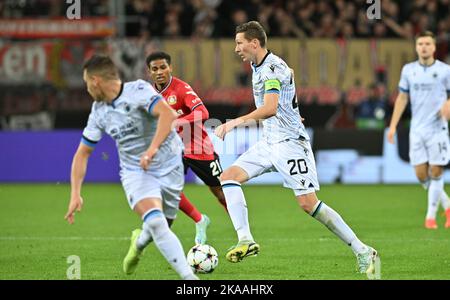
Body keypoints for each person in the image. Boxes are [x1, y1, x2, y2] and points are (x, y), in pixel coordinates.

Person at [214, 21, 380, 277]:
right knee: (228, 177)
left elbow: (269, 108)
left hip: (290, 145)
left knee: (307, 203)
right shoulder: (260, 65)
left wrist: (235, 122)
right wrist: (293, 111)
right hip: (268, 141)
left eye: (239, 43)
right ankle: (245, 239)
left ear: (254, 43)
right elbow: (289, 75)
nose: (236, 48)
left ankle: (362, 250)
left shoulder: (270, 69)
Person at [64, 54, 198, 280]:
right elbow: (82, 153)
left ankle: (139, 242)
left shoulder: (139, 91)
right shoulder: (98, 112)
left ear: (96, 81)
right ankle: (190, 279)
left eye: (87, 84)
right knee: (156, 222)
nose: (87, 90)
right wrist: (75, 193)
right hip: (136, 171)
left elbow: (167, 114)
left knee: (163, 225)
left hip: (170, 163)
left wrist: (152, 149)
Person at [145, 51, 228, 244]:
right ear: (149, 72)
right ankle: (199, 220)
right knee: (167, 188)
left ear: (170, 68)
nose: (159, 72)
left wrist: (176, 123)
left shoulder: (181, 88)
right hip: (172, 151)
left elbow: (203, 112)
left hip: (198, 147)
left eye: (163, 67)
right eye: (154, 69)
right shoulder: (149, 95)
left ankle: (244, 235)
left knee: (220, 192)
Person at [388, 31, 450, 229]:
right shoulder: (408, 70)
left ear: (434, 47)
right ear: (416, 47)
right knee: (422, 175)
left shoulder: (444, 71)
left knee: (436, 170)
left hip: (437, 128)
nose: (424, 47)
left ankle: (430, 217)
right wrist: (393, 125)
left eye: (427, 43)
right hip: (417, 129)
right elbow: (402, 98)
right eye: (420, 43)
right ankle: (448, 206)